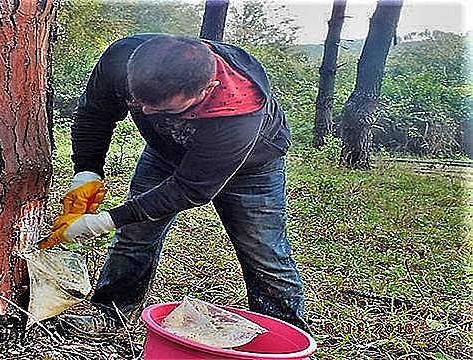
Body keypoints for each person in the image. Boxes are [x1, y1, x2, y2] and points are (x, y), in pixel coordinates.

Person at [39, 34, 309, 333]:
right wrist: (87, 171)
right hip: (165, 154)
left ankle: (285, 334)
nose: (146, 114)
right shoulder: (122, 58)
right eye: (138, 103)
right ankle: (111, 312)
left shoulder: (240, 109)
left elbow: (190, 189)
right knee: (135, 237)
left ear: (208, 90)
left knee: (264, 253)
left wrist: (102, 222)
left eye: (164, 110)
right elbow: (94, 114)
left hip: (251, 168)